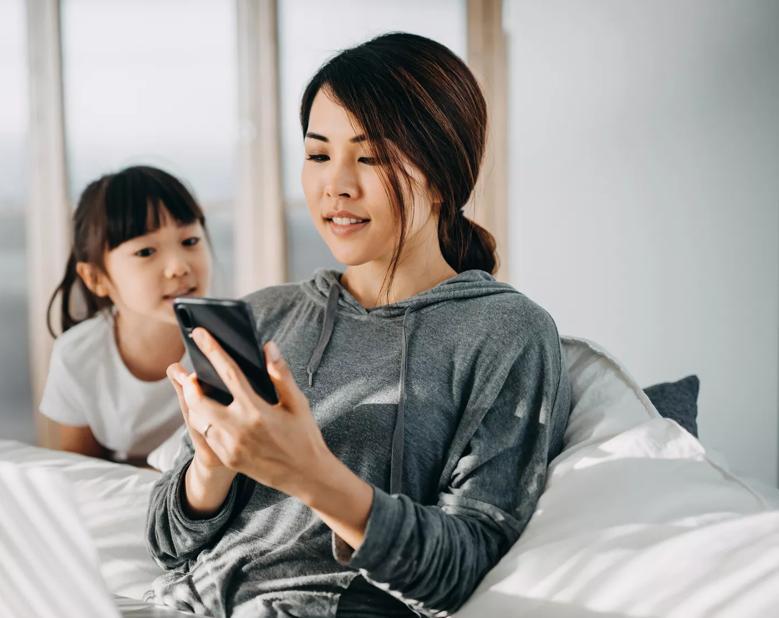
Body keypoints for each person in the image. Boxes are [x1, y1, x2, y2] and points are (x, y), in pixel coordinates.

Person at [145, 33, 571, 617]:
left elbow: (469, 563)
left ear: (444, 173)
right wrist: (213, 464)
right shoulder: (269, 313)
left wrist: (311, 474)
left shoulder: (506, 333)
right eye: (319, 154)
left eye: (370, 156)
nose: (335, 184)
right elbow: (168, 544)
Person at [39, 165, 212, 465]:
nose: (179, 266)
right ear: (96, 279)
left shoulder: (232, 339)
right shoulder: (77, 355)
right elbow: (78, 472)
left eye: (190, 242)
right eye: (146, 252)